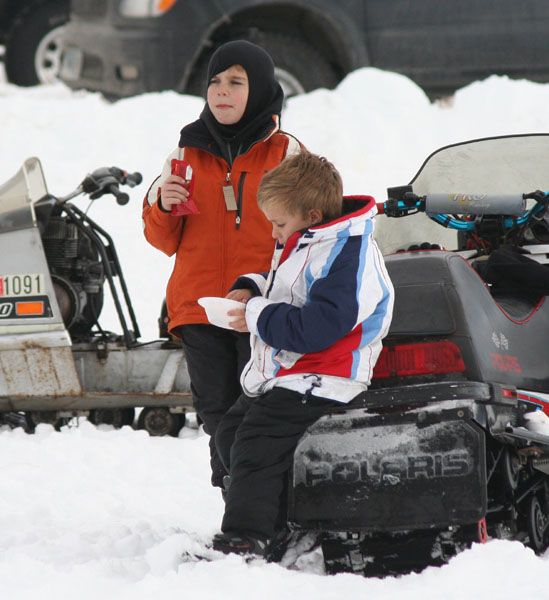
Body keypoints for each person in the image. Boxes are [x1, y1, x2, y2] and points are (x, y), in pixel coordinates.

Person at [211, 151, 395, 556]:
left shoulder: (348, 254)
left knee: (257, 439)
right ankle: (278, 518)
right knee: (228, 433)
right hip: (291, 370)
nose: (275, 234)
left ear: (311, 215)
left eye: (278, 224)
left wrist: (256, 315)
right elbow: (292, 287)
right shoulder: (312, 239)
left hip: (327, 373)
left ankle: (247, 534)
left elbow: (317, 328)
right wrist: (251, 286)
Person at [142, 41, 301, 488]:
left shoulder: (286, 155)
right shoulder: (184, 154)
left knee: (256, 408)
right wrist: (163, 206)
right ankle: (239, 500)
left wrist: (266, 288)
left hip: (260, 309)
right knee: (216, 414)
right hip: (198, 308)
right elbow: (160, 241)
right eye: (214, 82)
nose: (222, 92)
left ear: (263, 89)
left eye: (236, 82)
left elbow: (309, 232)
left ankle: (262, 501)